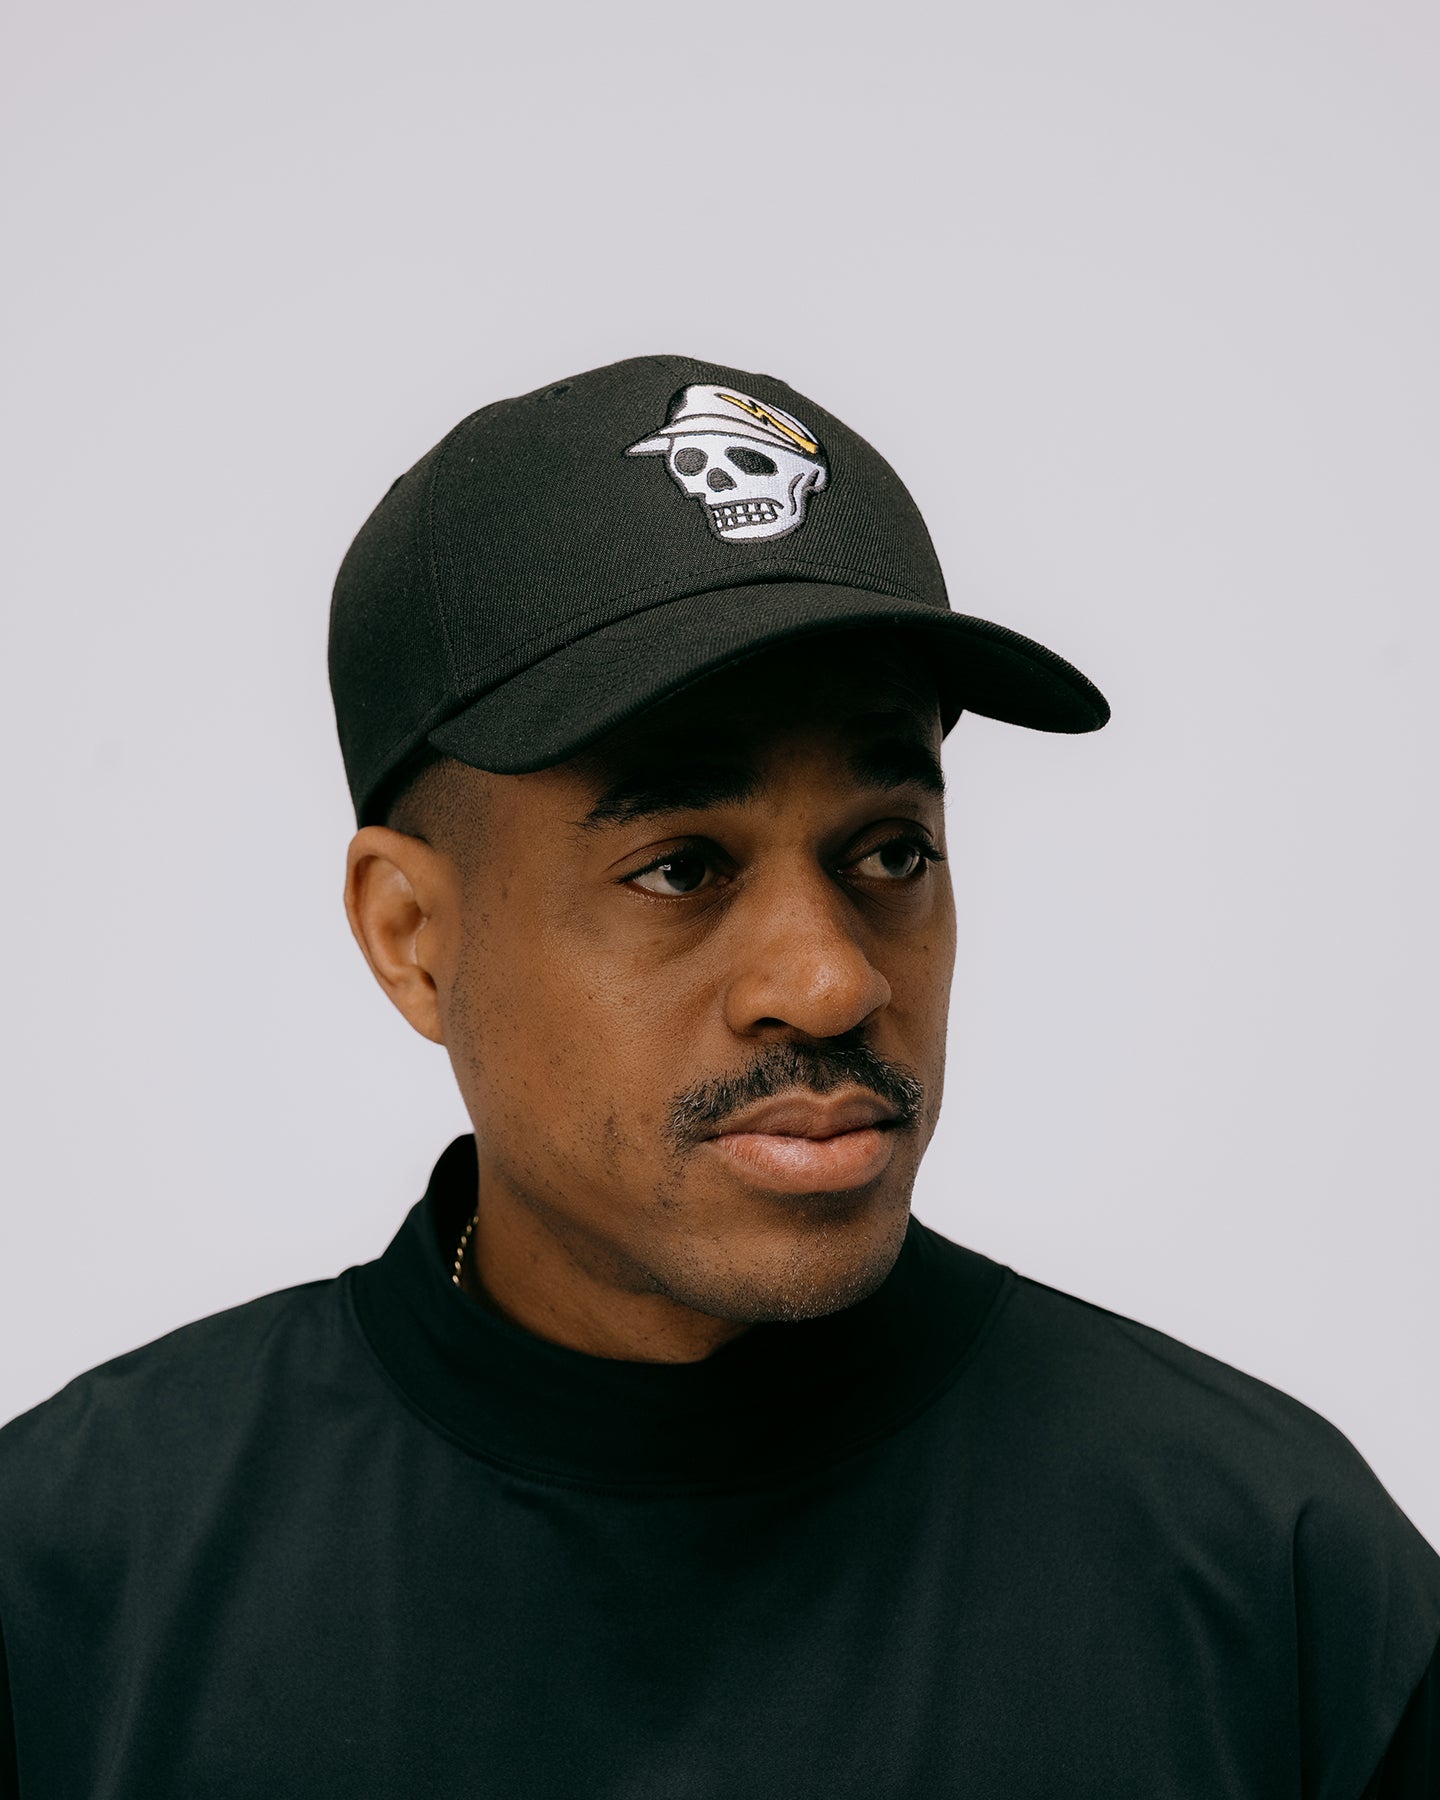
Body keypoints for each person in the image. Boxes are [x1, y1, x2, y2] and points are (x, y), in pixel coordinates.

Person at [1, 355, 1435, 1797]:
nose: (832, 982)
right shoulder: (73, 1583)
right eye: (680, 867)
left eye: (891, 851)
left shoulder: (1279, 1582)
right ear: (412, 937)